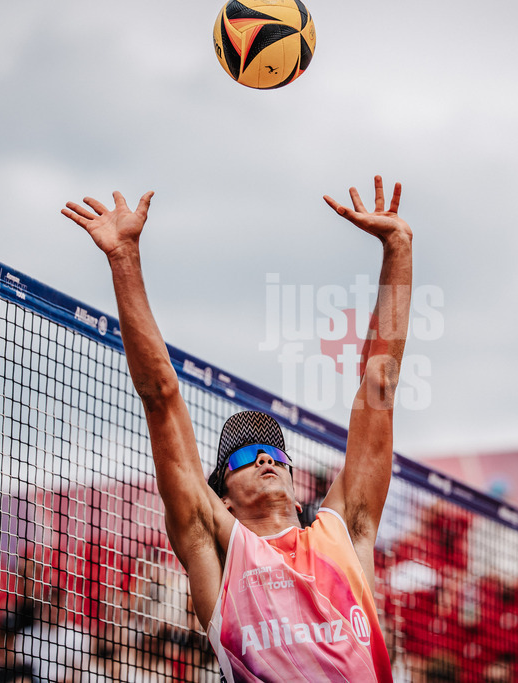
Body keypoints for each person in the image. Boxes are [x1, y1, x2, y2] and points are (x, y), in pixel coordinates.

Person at [62, 176, 413, 682]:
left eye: (275, 454)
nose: (267, 459)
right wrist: (124, 259)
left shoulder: (344, 532)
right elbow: (160, 396)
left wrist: (398, 246)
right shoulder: (215, 548)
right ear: (223, 497)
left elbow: (379, 384)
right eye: (246, 458)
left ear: (297, 493)